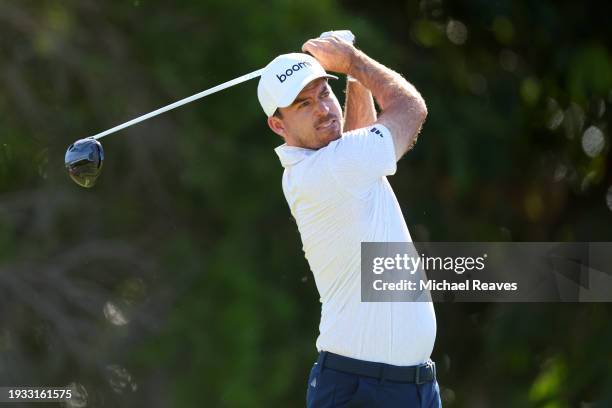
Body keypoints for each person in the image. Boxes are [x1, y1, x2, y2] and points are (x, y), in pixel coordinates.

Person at [257, 34, 440, 408]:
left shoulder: (334, 163)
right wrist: (354, 61)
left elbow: (354, 139)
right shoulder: (330, 171)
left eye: (325, 93)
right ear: (278, 125)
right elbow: (411, 108)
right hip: (362, 389)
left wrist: (352, 79)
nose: (324, 109)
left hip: (410, 387)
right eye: (303, 104)